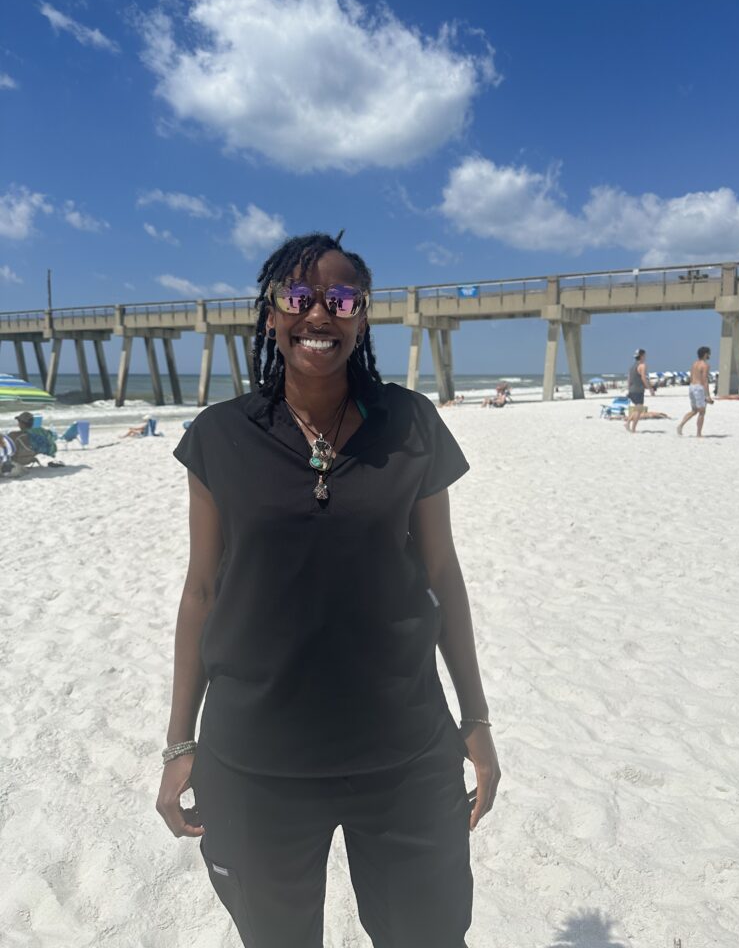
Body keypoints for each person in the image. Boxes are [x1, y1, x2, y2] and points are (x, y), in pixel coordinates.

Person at [157, 232, 500, 948]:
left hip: (404, 751)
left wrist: (476, 720)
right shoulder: (221, 436)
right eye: (300, 297)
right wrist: (178, 743)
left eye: (342, 299)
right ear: (271, 314)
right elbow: (200, 591)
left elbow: (443, 576)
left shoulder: (410, 425)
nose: (321, 314)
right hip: (256, 760)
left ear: (364, 317)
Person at [677, 346, 714, 436]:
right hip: (699, 388)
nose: (710, 355)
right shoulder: (705, 365)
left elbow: (691, 377)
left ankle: (681, 425)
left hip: (692, 387)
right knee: (702, 412)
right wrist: (708, 396)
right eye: (709, 353)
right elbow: (705, 380)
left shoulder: (694, 364)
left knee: (694, 410)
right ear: (705, 354)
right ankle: (699, 433)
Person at [625, 348, 655, 432]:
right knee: (639, 410)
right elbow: (643, 378)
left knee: (637, 408)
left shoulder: (632, 367)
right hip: (638, 391)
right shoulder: (642, 365)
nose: (645, 357)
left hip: (632, 390)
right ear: (641, 356)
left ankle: (627, 423)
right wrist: (650, 389)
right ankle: (633, 429)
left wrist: (629, 390)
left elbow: (629, 379)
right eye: (645, 355)